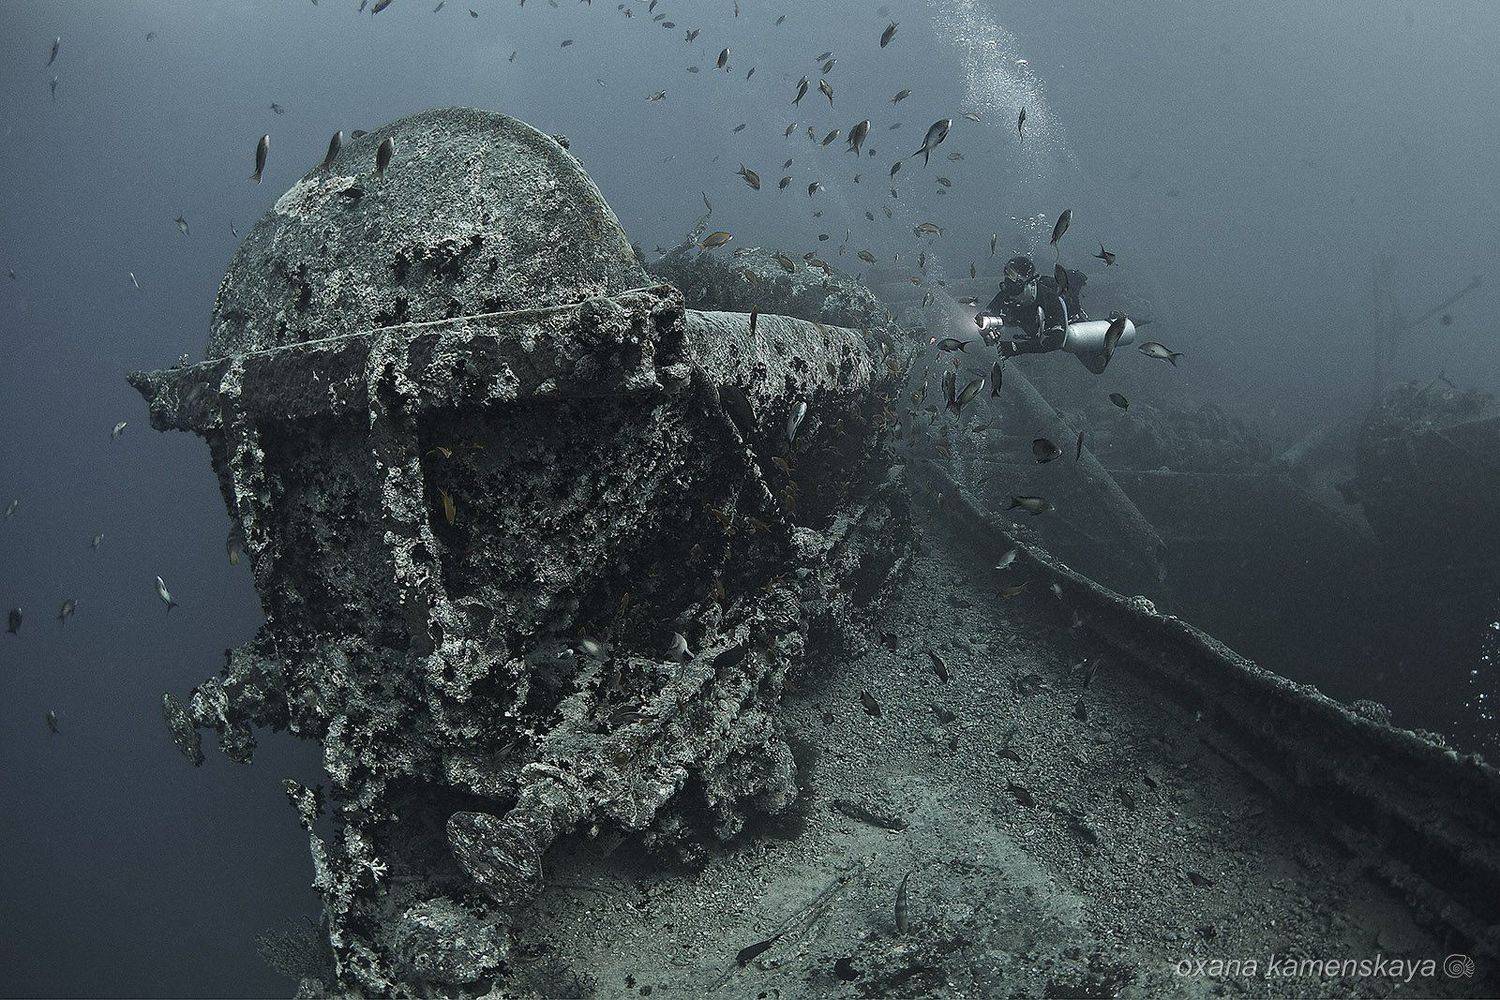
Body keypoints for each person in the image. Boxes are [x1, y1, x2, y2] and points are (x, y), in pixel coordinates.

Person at [974, 255, 1088, 357]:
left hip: (1069, 324)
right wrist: (986, 331)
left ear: (1031, 284)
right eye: (1008, 283)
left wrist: (1017, 348)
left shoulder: (1048, 297)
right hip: (1035, 330)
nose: (1010, 291)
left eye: (1016, 287)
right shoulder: (1007, 293)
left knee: (1096, 364)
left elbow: (1057, 340)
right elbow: (983, 316)